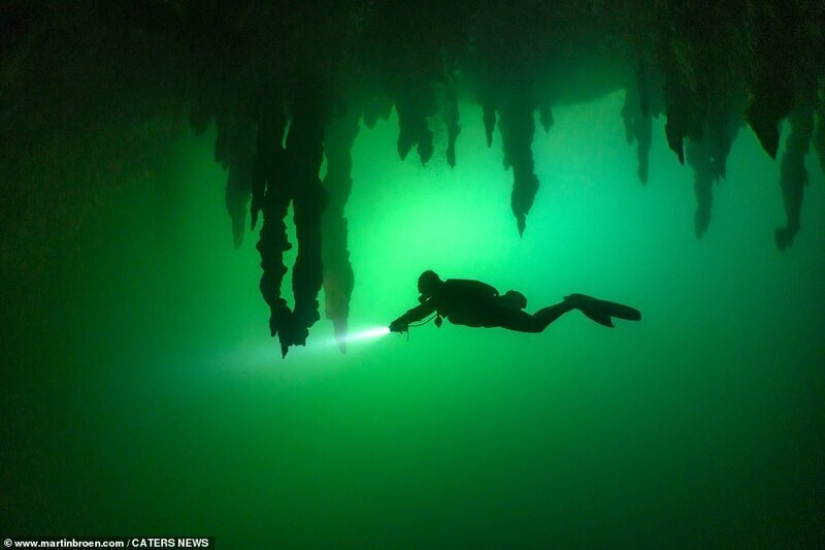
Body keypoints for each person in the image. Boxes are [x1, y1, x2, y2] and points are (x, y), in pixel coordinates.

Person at [388, 270, 641, 334]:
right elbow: (420, 310)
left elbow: (418, 311)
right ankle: (572, 303)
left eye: (424, 291)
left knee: (535, 325)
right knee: (534, 325)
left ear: (430, 286)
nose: (425, 296)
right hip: (495, 314)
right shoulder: (446, 293)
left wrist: (399, 322)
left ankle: (572, 302)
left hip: (496, 312)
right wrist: (401, 321)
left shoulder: (445, 293)